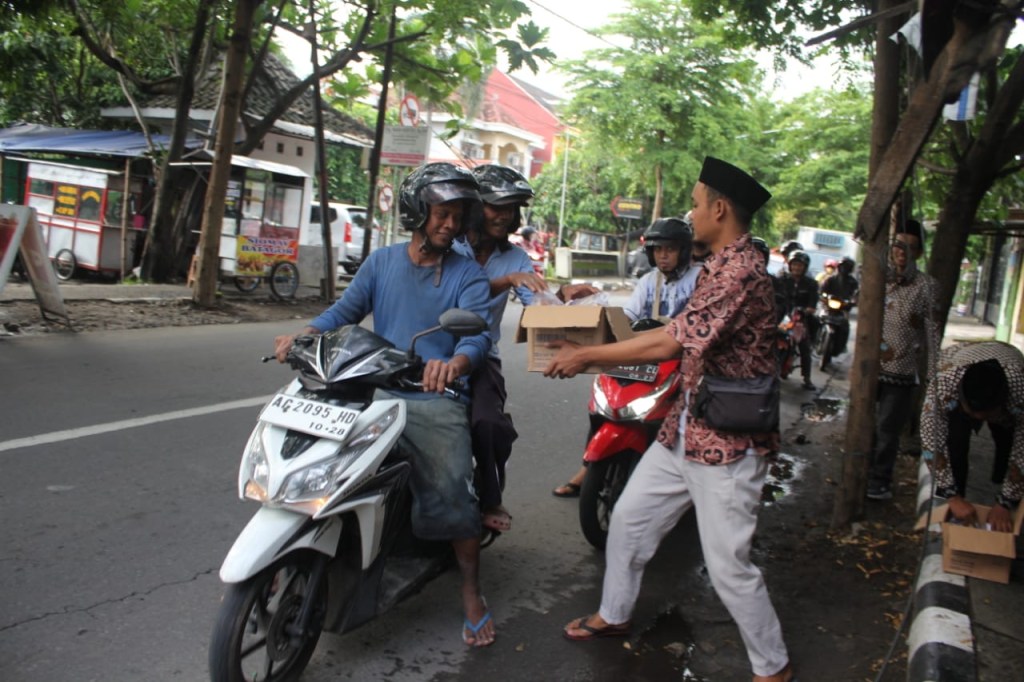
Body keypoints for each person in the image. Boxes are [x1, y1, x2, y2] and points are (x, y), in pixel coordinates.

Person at [543, 156, 793, 682]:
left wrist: (586, 356)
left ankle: (773, 666)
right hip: (685, 429)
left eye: (697, 204)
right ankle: (614, 614)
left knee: (728, 567)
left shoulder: (741, 272)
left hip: (727, 445)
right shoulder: (718, 265)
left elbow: (672, 341)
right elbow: (662, 326)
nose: (691, 213)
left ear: (719, 210)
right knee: (629, 522)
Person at [272, 162, 498, 647]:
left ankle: (470, 591)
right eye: (441, 213)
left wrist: (453, 364)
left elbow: (476, 336)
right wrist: (303, 335)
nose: (450, 224)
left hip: (431, 395)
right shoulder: (381, 263)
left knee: (453, 490)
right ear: (417, 211)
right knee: (314, 458)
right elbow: (344, 312)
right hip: (371, 387)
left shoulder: (469, 275)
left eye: (458, 216)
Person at [455, 164, 596, 531]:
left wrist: (562, 297)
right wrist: (505, 281)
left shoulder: (516, 257)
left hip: (481, 356)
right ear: (475, 206)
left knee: (489, 424)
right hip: (432, 350)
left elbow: (536, 302)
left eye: (510, 208)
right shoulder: (451, 245)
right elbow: (453, 292)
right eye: (495, 207)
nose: (503, 215)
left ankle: (491, 497)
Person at [552, 216, 702, 498]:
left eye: (670, 249)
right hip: (645, 353)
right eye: (658, 250)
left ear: (684, 250)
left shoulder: (701, 278)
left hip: (683, 359)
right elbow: (628, 317)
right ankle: (588, 467)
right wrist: (596, 315)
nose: (663, 255)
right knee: (603, 400)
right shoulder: (648, 281)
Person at [866, 218, 941, 500]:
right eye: (898, 245)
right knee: (865, 424)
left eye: (910, 247)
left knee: (887, 430)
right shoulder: (877, 279)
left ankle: (880, 481)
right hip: (869, 369)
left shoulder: (927, 287)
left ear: (919, 253)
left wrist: (934, 376)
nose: (902, 251)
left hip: (901, 372)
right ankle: (860, 472)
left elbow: (933, 334)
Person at [920, 341, 1024, 532]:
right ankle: (958, 501)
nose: (979, 421)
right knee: (956, 443)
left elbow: (1022, 449)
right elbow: (931, 441)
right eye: (973, 414)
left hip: (1010, 362)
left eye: (986, 415)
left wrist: (1005, 503)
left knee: (1006, 443)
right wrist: (953, 497)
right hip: (959, 359)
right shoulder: (943, 386)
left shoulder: (1020, 391)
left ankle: (1002, 489)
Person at [776, 250, 819, 390]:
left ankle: (807, 378)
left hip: (800, 321)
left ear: (805, 267)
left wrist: (806, 310)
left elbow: (812, 305)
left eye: (800, 265)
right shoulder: (781, 280)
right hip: (783, 319)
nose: (797, 268)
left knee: (805, 347)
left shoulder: (811, 284)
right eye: (794, 264)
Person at [818, 256, 859, 356]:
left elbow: (856, 295)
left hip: (843, 309)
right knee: (818, 319)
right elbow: (822, 290)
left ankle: (841, 346)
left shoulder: (853, 282)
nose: (844, 269)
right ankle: (815, 339)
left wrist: (852, 301)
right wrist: (824, 296)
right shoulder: (831, 279)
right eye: (843, 266)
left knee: (845, 326)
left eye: (847, 267)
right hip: (828, 307)